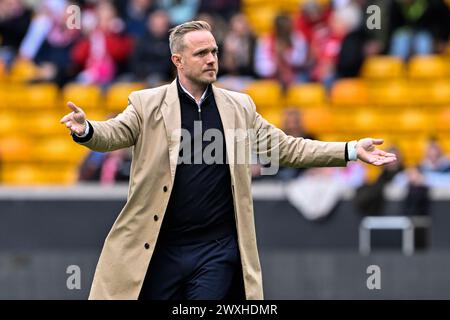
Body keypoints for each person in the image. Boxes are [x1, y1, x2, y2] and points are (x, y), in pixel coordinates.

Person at [60, 20, 397, 300]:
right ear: (178, 61)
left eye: (214, 52)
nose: (212, 59)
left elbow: (286, 149)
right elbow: (114, 134)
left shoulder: (239, 106)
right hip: (160, 246)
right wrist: (86, 129)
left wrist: (351, 150)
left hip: (216, 251)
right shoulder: (147, 103)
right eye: (202, 53)